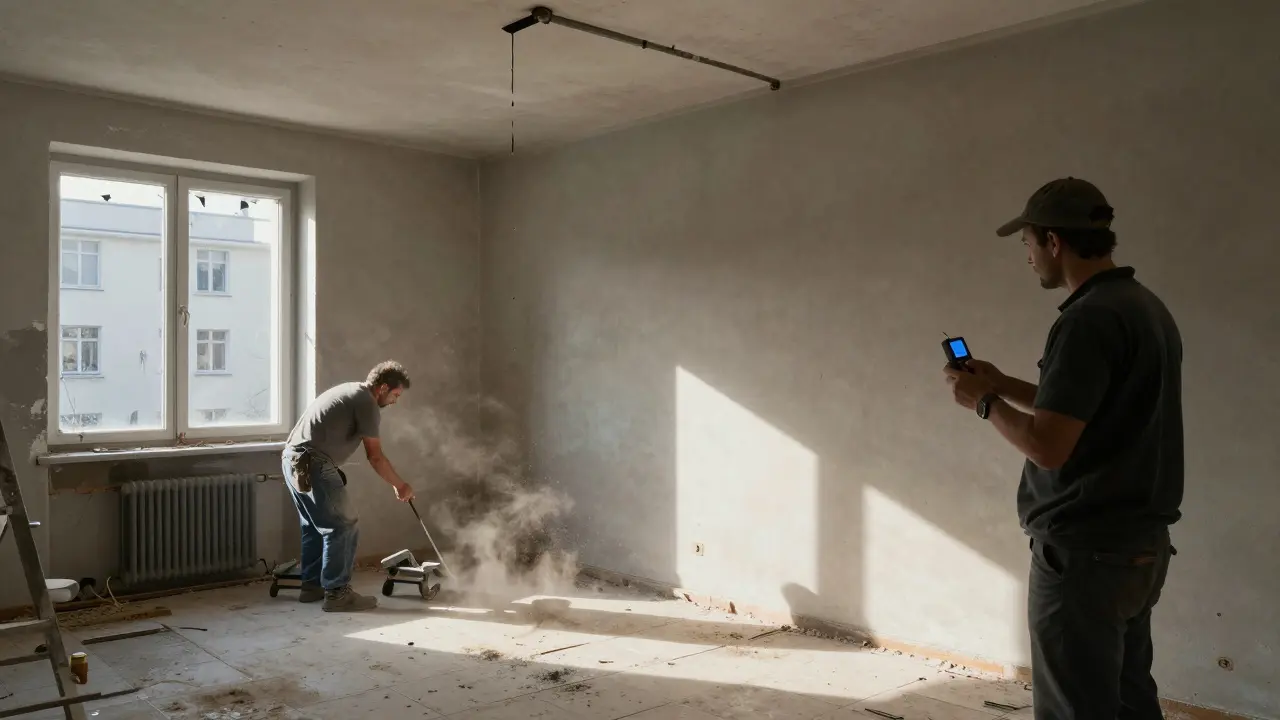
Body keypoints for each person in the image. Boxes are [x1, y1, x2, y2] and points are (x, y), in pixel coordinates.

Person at [943, 178, 1183, 718]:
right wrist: (1003, 383)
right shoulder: (1143, 307)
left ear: (1054, 241)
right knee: (1128, 701)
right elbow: (1091, 414)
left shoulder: (1086, 320)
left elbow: (1049, 446)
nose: (1027, 258)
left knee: (1075, 708)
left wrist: (984, 404)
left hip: (1084, 556)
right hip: (1138, 549)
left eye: (1027, 244)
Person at [282, 360, 417, 612]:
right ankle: (337, 594)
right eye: (395, 395)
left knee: (314, 526)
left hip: (292, 459)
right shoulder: (366, 402)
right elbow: (375, 456)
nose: (394, 402)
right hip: (312, 461)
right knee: (343, 524)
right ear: (383, 387)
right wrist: (400, 485)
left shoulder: (349, 390)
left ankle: (312, 587)